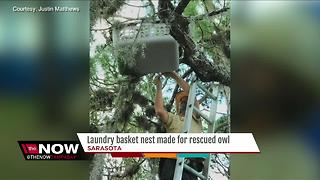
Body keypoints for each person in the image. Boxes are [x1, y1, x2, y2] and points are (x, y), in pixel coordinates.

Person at [154, 71, 204, 180]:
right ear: (178, 106)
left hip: (191, 164)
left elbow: (192, 95)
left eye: (186, 99)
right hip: (172, 162)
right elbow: (159, 110)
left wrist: (174, 75)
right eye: (181, 101)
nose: (183, 101)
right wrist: (159, 88)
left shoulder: (195, 117)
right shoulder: (173, 119)